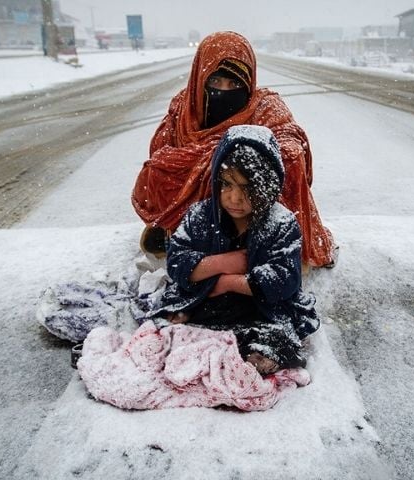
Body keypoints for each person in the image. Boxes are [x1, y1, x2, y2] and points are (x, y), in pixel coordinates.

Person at [132, 31, 336, 268]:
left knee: (270, 166)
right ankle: (184, 230)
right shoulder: (184, 109)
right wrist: (209, 161)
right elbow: (159, 158)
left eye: (235, 83)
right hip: (197, 221)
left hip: (253, 216)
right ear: (200, 79)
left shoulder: (265, 106)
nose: (224, 91)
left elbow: (290, 144)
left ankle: (258, 241)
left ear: (248, 84)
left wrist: (236, 159)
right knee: (159, 170)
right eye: (215, 82)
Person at [152, 125, 320, 375]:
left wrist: (230, 283)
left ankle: (250, 352)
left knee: (278, 340)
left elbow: (285, 280)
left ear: (268, 186)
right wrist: (224, 263)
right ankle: (209, 342)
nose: (235, 198)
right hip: (208, 302)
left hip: (261, 308)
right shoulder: (199, 217)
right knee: (166, 332)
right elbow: (177, 264)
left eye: (248, 188)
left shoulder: (282, 224)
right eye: (227, 185)